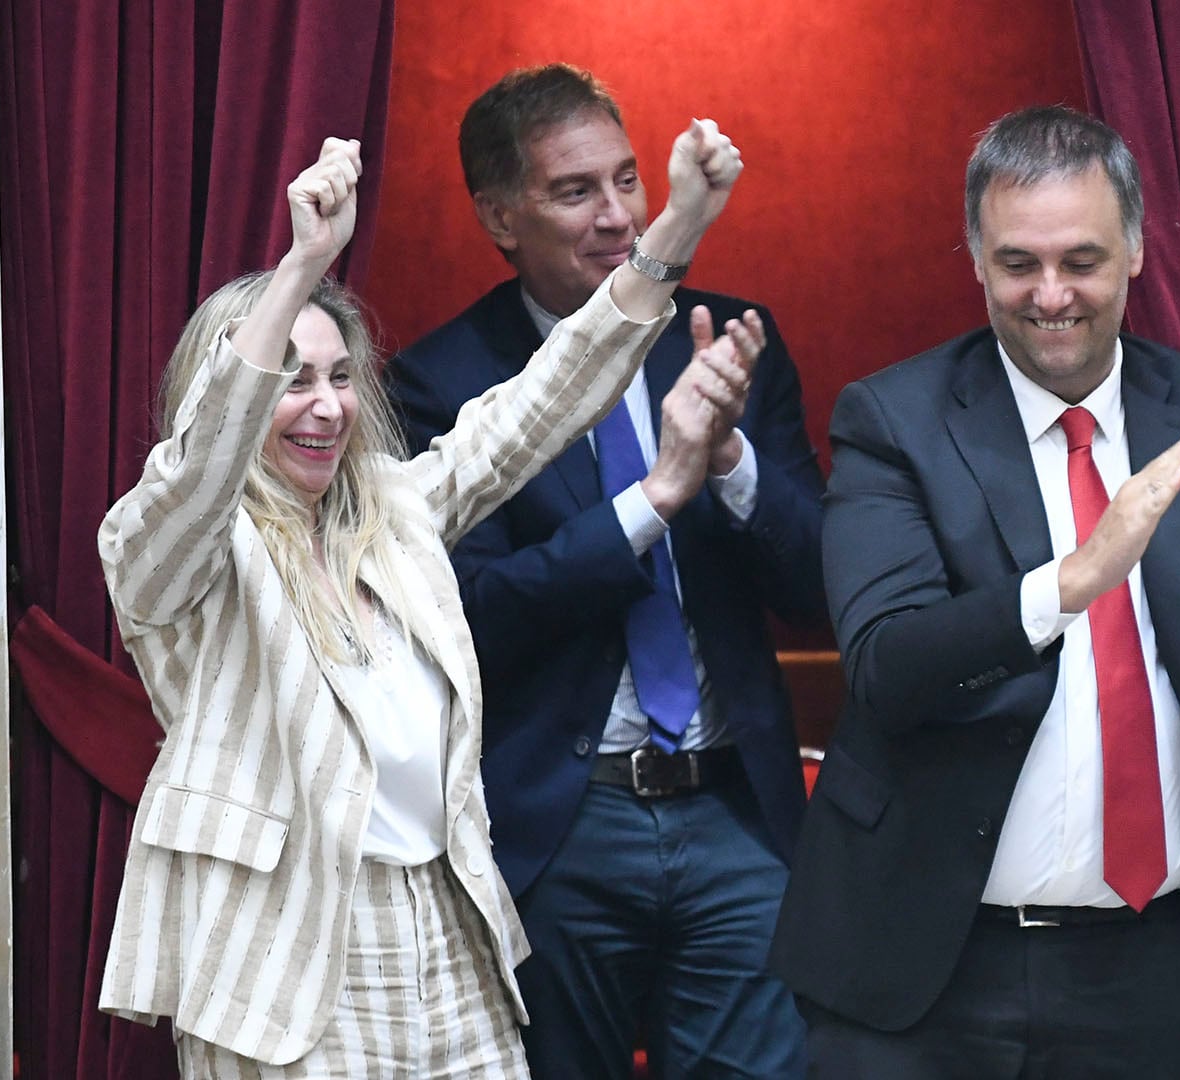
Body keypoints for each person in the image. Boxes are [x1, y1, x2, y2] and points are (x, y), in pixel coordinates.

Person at [96, 121, 755, 1079]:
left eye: (335, 379)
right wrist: (302, 265)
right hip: (293, 952)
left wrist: (680, 226)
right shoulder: (177, 550)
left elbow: (548, 396)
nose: (323, 406)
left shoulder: (393, 513)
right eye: (287, 382)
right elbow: (200, 470)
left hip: (448, 929)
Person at [769, 105, 1180, 1079]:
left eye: (1082, 260)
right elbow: (886, 667)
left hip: (1153, 964)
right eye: (1018, 263)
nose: (1052, 294)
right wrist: (1072, 581)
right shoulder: (894, 420)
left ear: (1138, 251)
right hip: (928, 964)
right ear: (977, 261)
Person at [384, 64, 821, 1080]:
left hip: (734, 814)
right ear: (500, 215)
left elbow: (821, 583)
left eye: (628, 180)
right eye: (575, 191)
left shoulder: (725, 342)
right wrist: (651, 502)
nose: (619, 215)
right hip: (560, 825)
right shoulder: (443, 382)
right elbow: (471, 614)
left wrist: (729, 465)